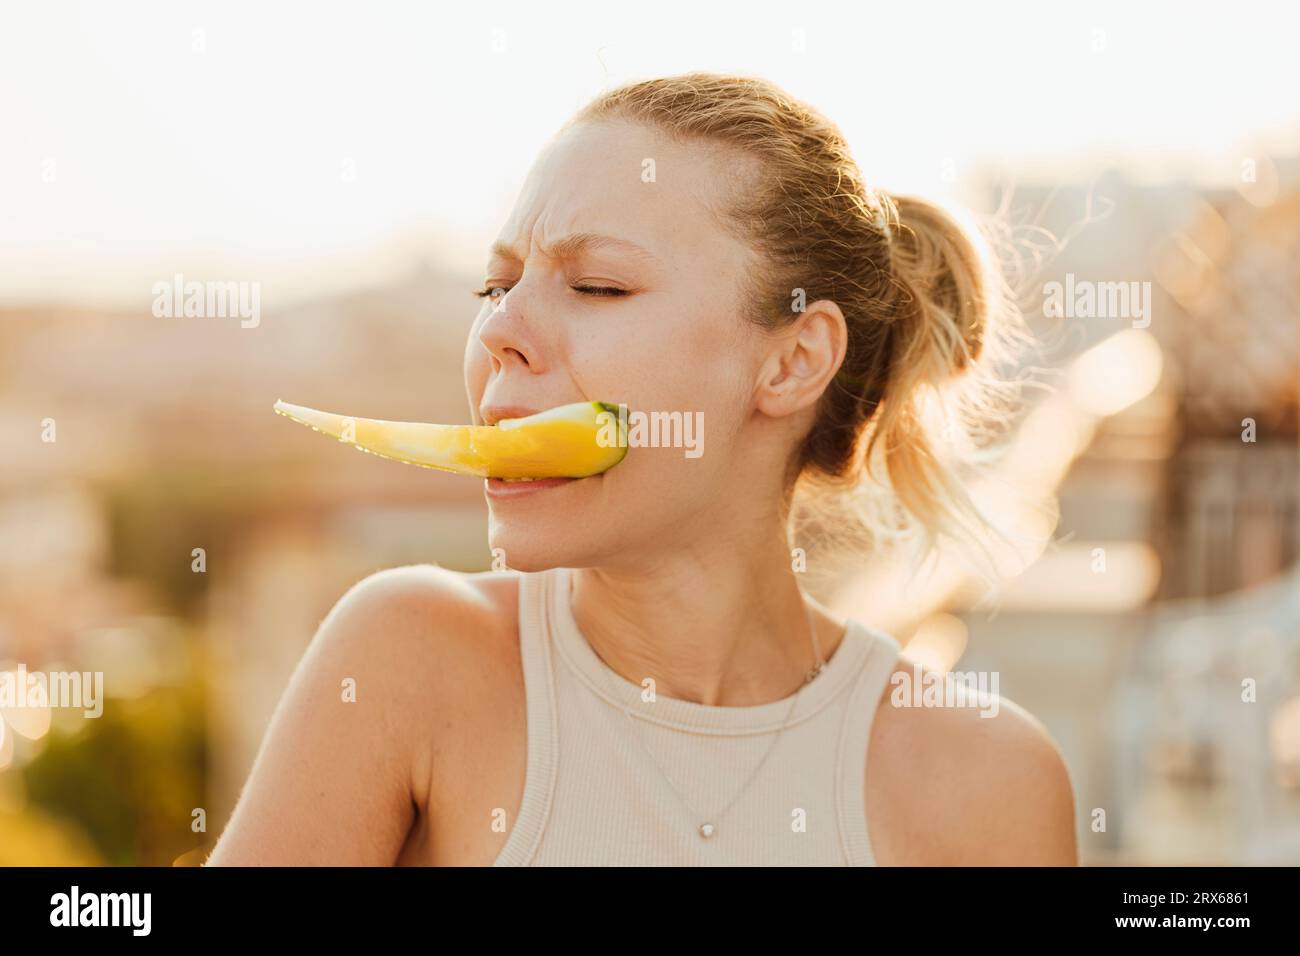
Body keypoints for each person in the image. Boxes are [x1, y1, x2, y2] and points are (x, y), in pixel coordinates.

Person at [207, 72, 1077, 866]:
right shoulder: (411, 655)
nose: (501, 329)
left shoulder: (992, 783)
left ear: (792, 361)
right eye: (496, 286)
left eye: (598, 287)